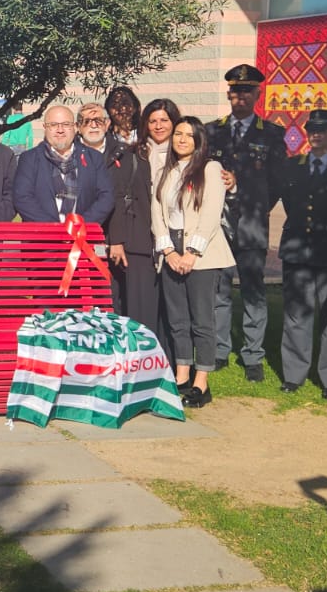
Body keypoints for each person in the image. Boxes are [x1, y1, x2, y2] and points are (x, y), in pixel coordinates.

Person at [204, 64, 288, 382]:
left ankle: (253, 355)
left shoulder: (272, 135)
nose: (240, 96)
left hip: (252, 224)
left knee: (253, 291)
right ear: (229, 94)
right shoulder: (212, 132)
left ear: (257, 94)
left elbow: (278, 182)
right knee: (220, 290)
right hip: (217, 225)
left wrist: (245, 192)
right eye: (235, 91)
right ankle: (220, 350)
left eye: (246, 91)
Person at [151, 117, 232, 408]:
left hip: (203, 252)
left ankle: (202, 382)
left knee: (202, 321)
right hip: (171, 249)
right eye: (178, 134)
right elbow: (156, 211)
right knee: (177, 320)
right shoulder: (165, 170)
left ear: (199, 140)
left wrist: (191, 253)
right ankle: (181, 376)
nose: (182, 139)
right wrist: (169, 251)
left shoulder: (210, 169)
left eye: (189, 135)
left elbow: (211, 214)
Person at [276, 110, 327, 401]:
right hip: (297, 249)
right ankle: (294, 374)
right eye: (312, 129)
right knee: (296, 314)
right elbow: (287, 201)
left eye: (323, 130)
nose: (316, 135)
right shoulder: (292, 167)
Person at [84, 102, 157, 334]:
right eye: (86, 121)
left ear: (107, 124)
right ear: (78, 126)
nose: (92, 126)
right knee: (90, 296)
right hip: (81, 237)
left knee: (116, 296)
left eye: (98, 120)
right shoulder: (71, 153)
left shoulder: (126, 154)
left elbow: (124, 197)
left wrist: (117, 239)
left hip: (118, 238)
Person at [12, 105, 114, 225]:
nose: (60, 130)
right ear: (45, 127)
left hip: (82, 237)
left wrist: (80, 225)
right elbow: (22, 198)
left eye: (66, 124)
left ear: (75, 127)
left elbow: (106, 197)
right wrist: (54, 230)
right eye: (53, 125)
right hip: (42, 237)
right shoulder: (29, 159)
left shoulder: (94, 158)